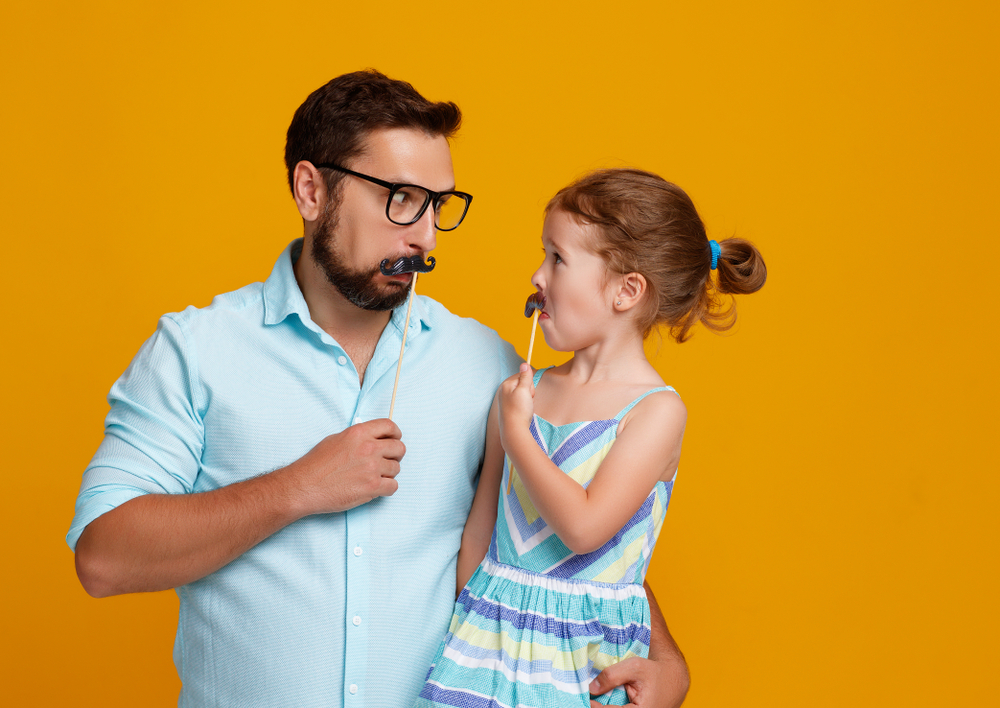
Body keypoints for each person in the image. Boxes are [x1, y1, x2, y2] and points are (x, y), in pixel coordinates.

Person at [67, 72, 690, 707]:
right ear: (312, 190)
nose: (422, 234)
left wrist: (665, 661)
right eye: (400, 198)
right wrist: (299, 487)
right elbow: (103, 558)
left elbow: (554, 536)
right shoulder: (194, 352)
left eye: (437, 206)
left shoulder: (490, 367)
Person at [415, 168, 766, 707]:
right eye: (543, 254)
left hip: (580, 663)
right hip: (485, 646)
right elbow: (480, 530)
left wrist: (519, 435)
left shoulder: (656, 411)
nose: (538, 275)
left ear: (626, 291)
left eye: (558, 258)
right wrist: (467, 627)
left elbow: (585, 527)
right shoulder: (523, 395)